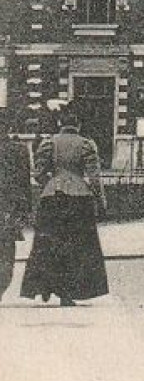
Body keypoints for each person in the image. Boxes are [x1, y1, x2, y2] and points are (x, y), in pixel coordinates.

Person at [18, 106, 109, 307]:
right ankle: (69, 292)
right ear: (78, 125)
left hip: (52, 198)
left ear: (60, 124)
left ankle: (46, 286)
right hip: (79, 199)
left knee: (48, 245)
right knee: (78, 247)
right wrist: (101, 202)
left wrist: (51, 183)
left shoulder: (49, 143)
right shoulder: (86, 144)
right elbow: (95, 177)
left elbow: (38, 172)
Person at [1, 110, 33, 299]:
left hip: (7, 206)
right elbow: (24, 182)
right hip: (8, 208)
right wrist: (26, 209)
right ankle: (1, 285)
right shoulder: (19, 150)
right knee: (6, 249)